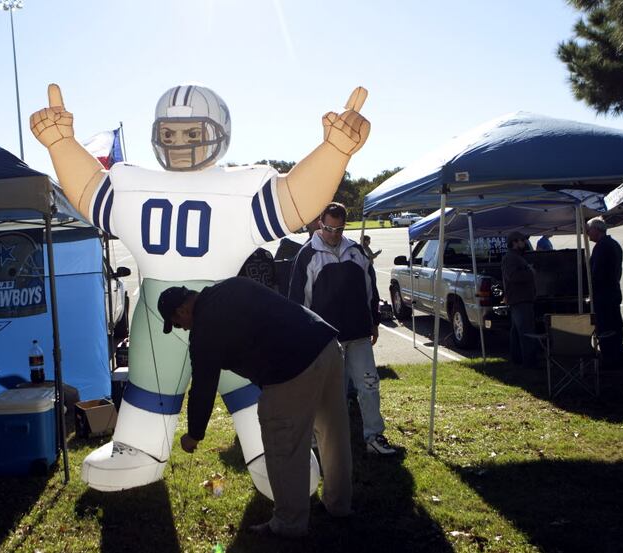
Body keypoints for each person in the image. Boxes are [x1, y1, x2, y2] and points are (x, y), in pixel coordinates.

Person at [30, 82, 371, 494]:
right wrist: (61, 144)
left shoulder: (239, 187)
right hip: (159, 313)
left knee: (246, 385)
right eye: (170, 134)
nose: (179, 144)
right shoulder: (134, 185)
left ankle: (269, 452)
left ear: (218, 132)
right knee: (150, 384)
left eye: (192, 133)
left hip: (226, 313)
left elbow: (294, 198)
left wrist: (335, 152)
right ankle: (139, 446)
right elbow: (90, 192)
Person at [158, 278, 353, 537]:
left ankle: (289, 523)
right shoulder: (229, 286)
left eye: (178, 324)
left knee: (283, 445)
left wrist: (194, 434)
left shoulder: (204, 328)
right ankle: (339, 505)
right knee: (333, 433)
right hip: (325, 344)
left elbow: (204, 385)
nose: (182, 329)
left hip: (292, 368)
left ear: (182, 311)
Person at [289, 202, 396, 455]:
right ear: (319, 224)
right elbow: (297, 301)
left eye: (338, 229)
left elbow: (371, 290)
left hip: (359, 334)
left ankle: (374, 436)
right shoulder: (307, 256)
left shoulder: (356, 251)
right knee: (324, 393)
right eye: (328, 228)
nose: (333, 234)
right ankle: (317, 441)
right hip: (324, 340)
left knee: (369, 386)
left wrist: (374, 321)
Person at [586, 217, 623, 369]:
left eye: (589, 230)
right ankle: (617, 357)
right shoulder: (614, 244)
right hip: (613, 290)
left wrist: (591, 289)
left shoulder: (602, 247)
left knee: (606, 327)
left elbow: (597, 274)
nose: (588, 234)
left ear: (596, 230)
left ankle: (610, 359)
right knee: (615, 325)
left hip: (604, 294)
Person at [500, 231, 538, 369]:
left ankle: (517, 360)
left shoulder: (517, 257)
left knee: (517, 332)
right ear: (514, 242)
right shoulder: (510, 258)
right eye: (522, 240)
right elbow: (512, 276)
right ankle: (530, 363)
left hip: (521, 299)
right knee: (526, 332)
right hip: (520, 300)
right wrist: (530, 271)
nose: (525, 242)